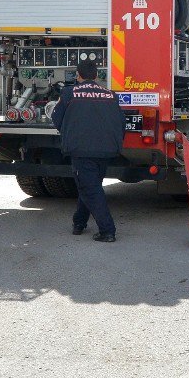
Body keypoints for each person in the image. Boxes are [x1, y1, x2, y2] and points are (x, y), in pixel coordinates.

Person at [51, 59, 126, 242]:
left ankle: (107, 231)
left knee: (90, 189)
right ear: (97, 76)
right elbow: (121, 122)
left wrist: (70, 133)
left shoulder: (69, 93)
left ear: (78, 76)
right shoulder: (110, 94)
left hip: (82, 150)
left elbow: (56, 118)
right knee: (89, 186)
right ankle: (79, 223)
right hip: (106, 150)